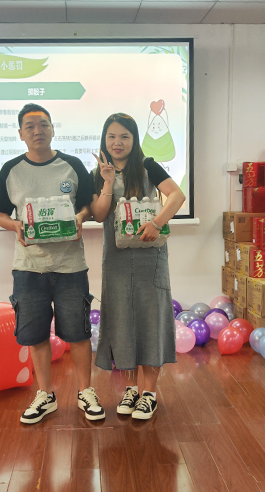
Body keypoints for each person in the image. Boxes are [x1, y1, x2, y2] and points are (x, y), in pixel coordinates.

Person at [0, 104, 105, 424]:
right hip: (28, 266)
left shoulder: (72, 165)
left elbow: (88, 206)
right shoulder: (11, 169)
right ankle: (45, 394)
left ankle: (85, 391)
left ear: (53, 129)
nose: (37, 131)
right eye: (30, 126)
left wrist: (79, 218)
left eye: (43, 124)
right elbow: (1, 215)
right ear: (20, 134)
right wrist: (15, 226)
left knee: (78, 333)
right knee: (36, 334)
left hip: (70, 265)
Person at [90, 113, 185, 420]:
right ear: (104, 139)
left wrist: (157, 223)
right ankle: (131, 388)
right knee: (122, 321)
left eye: (124, 136)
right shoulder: (98, 173)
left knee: (150, 320)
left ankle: (149, 394)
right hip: (116, 261)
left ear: (134, 139)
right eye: (111, 136)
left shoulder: (148, 166)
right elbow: (99, 215)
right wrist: (107, 182)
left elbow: (177, 195)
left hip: (149, 258)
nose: (117, 143)